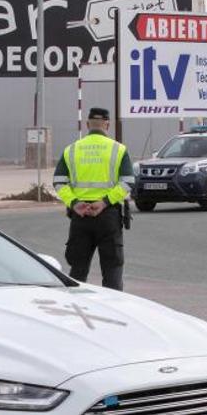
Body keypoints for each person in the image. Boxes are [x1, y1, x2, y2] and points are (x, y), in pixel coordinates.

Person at [53, 107, 134, 290]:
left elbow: (58, 182)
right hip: (108, 216)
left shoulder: (71, 150)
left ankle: (77, 310)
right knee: (112, 269)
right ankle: (113, 312)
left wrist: (74, 203)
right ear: (107, 124)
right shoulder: (118, 149)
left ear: (87, 124)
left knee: (78, 271)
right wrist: (104, 202)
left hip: (80, 217)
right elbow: (128, 182)